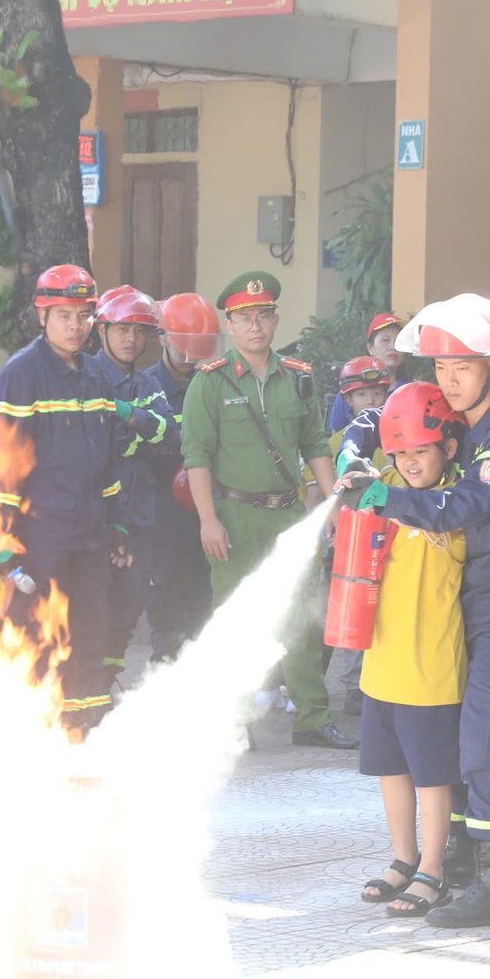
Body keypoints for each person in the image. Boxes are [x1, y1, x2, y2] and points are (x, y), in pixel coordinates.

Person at [338, 294, 490, 928]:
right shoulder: (459, 414)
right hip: (467, 599)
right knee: (457, 736)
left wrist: (379, 492)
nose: (448, 379)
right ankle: (454, 862)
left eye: (462, 365)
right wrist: (356, 447)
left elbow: (456, 510)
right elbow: (381, 413)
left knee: (485, 735)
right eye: (440, 366)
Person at [182, 270, 350, 749]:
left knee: (300, 616)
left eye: (263, 316)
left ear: (275, 321)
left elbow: (317, 445)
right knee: (234, 619)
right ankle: (233, 722)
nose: (254, 326)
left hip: (287, 515)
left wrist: (333, 504)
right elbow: (196, 456)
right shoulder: (210, 384)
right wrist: (207, 520)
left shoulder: (298, 379)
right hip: (233, 517)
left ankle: (313, 720)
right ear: (229, 325)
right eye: (244, 318)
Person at [0, 266, 136, 732]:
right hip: (39, 539)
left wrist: (118, 526)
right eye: (64, 315)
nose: (75, 326)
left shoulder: (96, 377)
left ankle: (83, 732)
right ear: (42, 316)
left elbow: (107, 466)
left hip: (89, 537)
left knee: (90, 635)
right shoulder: (20, 376)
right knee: (37, 639)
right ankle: (32, 734)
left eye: (84, 316)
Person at [355, 384, 468, 919]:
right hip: (382, 658)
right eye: (400, 453)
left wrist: (388, 498)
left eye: (421, 450)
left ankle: (433, 870)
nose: (410, 462)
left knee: (431, 775)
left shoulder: (458, 498)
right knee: (390, 767)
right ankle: (403, 859)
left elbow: (434, 516)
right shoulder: (389, 483)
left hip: (431, 665)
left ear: (447, 446)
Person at [84, 286, 175, 680]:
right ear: (102, 330)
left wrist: (124, 415)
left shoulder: (147, 384)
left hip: (139, 515)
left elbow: (169, 435)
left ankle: (106, 684)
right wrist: (142, 428)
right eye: (122, 329)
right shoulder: (84, 378)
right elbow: (94, 445)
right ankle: (84, 691)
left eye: (139, 331)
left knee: (129, 605)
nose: (131, 338)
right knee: (92, 607)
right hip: (95, 517)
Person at [141, 292, 215, 664]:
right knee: (168, 615)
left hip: (211, 515)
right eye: (183, 347)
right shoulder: (145, 387)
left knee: (206, 611)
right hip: (164, 519)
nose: (190, 358)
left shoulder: (214, 385)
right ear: (164, 338)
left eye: (196, 349)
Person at [328, 355, 393, 715]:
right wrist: (334, 531)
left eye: (377, 392)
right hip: (352, 540)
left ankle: (382, 680)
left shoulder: (401, 432)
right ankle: (354, 685)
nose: (370, 401)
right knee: (353, 608)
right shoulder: (339, 441)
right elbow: (323, 493)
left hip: (390, 537)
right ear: (347, 400)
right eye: (361, 394)